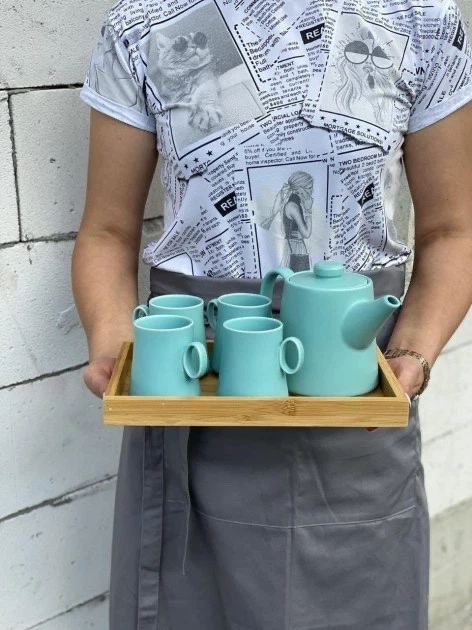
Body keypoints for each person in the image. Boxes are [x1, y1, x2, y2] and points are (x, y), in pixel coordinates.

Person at [72, 1, 472, 628]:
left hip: (354, 395)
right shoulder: (143, 23)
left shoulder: (419, 17)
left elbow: (453, 231)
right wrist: (117, 349)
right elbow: (106, 232)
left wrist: (412, 356)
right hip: (196, 385)